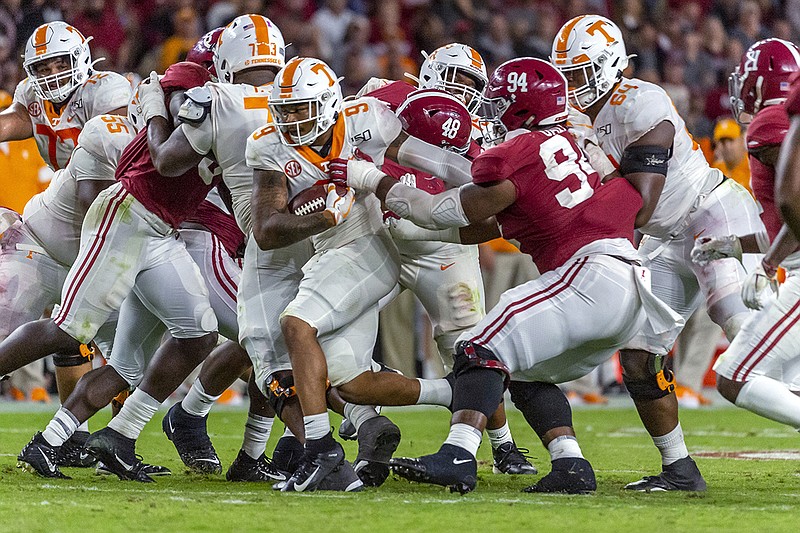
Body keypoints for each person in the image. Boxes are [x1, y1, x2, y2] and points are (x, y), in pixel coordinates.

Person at [332, 57, 682, 494]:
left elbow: (438, 209)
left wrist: (373, 177)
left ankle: (458, 454)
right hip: (630, 285)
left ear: (520, 108)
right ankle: (570, 464)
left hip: (590, 273)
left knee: (478, 344)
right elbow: (488, 215)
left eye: (501, 102)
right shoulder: (574, 141)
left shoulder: (517, 153)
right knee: (524, 370)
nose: (492, 111)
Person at [550, 14, 765, 491]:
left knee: (745, 335)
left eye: (578, 72)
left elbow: (640, 206)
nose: (570, 84)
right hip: (669, 238)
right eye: (564, 73)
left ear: (607, 66)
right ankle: (680, 469)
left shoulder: (639, 101)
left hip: (711, 213)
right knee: (640, 357)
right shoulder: (588, 118)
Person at [246, 57, 479, 491]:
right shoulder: (267, 145)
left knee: (297, 324)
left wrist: (482, 178)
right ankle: (457, 393)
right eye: (284, 110)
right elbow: (266, 230)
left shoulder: (367, 119)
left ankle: (321, 451)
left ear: (329, 103)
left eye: (300, 109)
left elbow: (439, 163)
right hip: (330, 248)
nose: (290, 120)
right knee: (350, 384)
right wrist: (321, 219)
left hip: (370, 246)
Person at [145, 15, 354, 487]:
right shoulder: (307, 92)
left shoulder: (216, 97)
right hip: (294, 231)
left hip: (263, 228)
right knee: (266, 343)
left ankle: (238, 439)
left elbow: (167, 161)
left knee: (263, 342)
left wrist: (157, 107)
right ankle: (314, 440)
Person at [353, 43, 537, 476]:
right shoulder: (387, 97)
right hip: (378, 235)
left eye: (473, 84)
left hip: (443, 243)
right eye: (456, 78)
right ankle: (351, 424)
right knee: (342, 330)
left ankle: (503, 445)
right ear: (431, 74)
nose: (464, 91)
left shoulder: (483, 131)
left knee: (469, 347)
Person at [0, 20, 130, 464]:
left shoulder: (107, 91)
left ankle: (107, 438)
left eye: (61, 60)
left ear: (82, 58)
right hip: (54, 225)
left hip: (103, 227)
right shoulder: (33, 97)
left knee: (126, 345)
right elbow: (20, 119)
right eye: (44, 65)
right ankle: (82, 440)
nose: (53, 72)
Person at [691, 39, 800, 429]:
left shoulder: (770, 124)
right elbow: (786, 220)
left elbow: (796, 208)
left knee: (734, 376)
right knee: (792, 383)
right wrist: (737, 245)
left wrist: (768, 265)